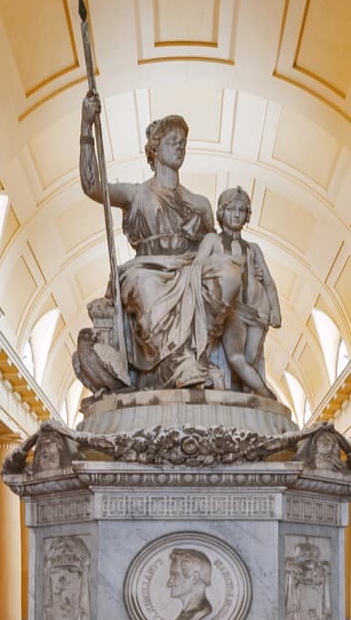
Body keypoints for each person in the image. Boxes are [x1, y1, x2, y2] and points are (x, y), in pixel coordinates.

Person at [79, 91, 217, 388]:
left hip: (189, 266)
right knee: (144, 283)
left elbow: (215, 248)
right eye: (172, 141)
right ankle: (175, 367)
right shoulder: (136, 193)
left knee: (223, 275)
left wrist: (202, 244)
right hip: (147, 267)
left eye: (183, 142)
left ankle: (201, 360)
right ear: (154, 150)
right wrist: (86, 127)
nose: (179, 145)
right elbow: (92, 186)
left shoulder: (200, 203)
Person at [195, 186, 281, 398]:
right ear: (221, 212)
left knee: (250, 359)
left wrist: (276, 311)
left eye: (241, 210)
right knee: (237, 359)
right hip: (233, 311)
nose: (236, 214)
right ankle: (266, 395)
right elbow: (197, 267)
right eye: (231, 208)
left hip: (259, 309)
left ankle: (250, 399)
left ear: (247, 215)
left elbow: (269, 282)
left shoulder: (254, 248)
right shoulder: (212, 241)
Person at [165, 548, 214, 620]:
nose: (169, 583)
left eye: (175, 575)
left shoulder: (198, 614)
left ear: (195, 578)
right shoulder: (185, 614)